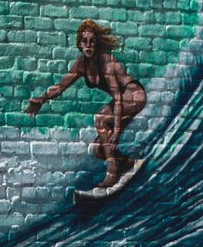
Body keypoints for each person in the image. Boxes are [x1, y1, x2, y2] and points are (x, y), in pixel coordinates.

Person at [26, 19, 147, 190]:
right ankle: (127, 163)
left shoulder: (105, 61)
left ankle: (112, 171)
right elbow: (60, 87)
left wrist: (116, 131)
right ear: (79, 44)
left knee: (100, 118)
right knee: (99, 149)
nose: (88, 45)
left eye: (92, 41)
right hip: (122, 100)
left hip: (134, 95)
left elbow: (118, 97)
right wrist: (42, 99)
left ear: (97, 44)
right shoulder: (81, 65)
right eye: (84, 41)